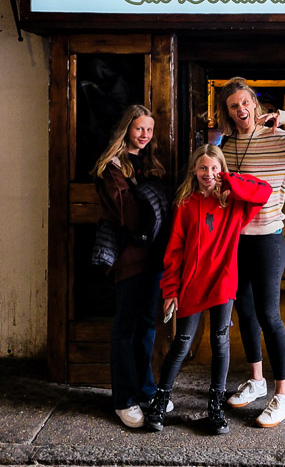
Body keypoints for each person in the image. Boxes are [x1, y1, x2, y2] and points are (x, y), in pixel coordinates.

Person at [218, 77, 285, 427]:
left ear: (255, 104)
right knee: (245, 313)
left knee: (269, 315)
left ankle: (283, 395)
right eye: (234, 106)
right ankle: (256, 380)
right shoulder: (228, 145)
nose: (241, 110)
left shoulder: (279, 140)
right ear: (228, 112)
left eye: (245, 102)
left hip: (267, 239)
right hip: (236, 240)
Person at [145, 144, 272, 435]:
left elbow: (262, 191)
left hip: (223, 281)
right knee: (183, 342)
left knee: (220, 340)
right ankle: (161, 400)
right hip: (191, 283)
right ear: (194, 170)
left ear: (222, 170)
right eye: (203, 168)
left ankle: (215, 406)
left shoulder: (233, 203)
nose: (209, 173)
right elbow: (174, 250)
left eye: (215, 168)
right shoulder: (186, 204)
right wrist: (170, 289)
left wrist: (229, 181)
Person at [93, 104, 169, 429]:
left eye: (149, 130)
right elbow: (131, 215)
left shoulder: (152, 164)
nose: (145, 135)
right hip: (127, 258)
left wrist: (151, 200)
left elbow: (159, 207)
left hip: (153, 257)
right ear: (127, 129)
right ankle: (124, 399)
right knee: (125, 330)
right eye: (139, 129)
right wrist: (154, 201)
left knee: (147, 328)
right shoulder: (111, 168)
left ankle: (147, 390)